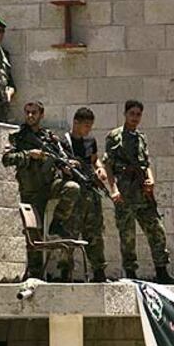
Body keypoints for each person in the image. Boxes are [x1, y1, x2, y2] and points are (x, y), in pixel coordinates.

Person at [104, 99, 174, 284]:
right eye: (132, 114)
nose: (135, 118)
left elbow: (146, 163)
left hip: (143, 192)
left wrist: (151, 180)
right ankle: (131, 274)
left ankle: (162, 271)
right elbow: (107, 165)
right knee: (128, 234)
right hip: (125, 192)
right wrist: (113, 189)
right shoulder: (114, 137)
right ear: (125, 114)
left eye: (138, 114)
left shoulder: (141, 138)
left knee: (157, 230)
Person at [2, 100, 82, 279]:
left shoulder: (49, 138)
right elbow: (6, 158)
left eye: (34, 113)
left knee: (72, 188)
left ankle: (57, 223)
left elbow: (60, 158)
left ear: (41, 115)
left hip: (50, 185)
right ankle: (35, 273)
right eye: (28, 112)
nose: (30, 116)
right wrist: (28, 155)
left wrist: (67, 165)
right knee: (34, 233)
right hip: (31, 190)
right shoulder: (19, 137)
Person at [62, 107, 108, 282]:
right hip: (75, 194)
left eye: (90, 125)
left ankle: (99, 272)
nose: (88, 129)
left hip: (91, 191)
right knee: (70, 233)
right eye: (86, 125)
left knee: (95, 232)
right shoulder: (65, 143)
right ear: (76, 123)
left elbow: (95, 159)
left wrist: (100, 170)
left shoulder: (90, 140)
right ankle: (65, 273)